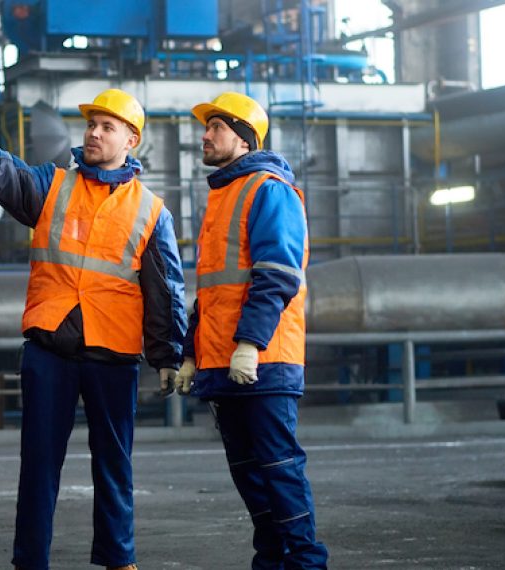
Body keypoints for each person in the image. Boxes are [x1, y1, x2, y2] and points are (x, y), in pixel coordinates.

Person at [0, 89, 187, 570]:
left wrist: (170, 354)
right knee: (39, 467)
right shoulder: (54, 185)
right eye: (91, 124)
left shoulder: (152, 212)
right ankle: (30, 562)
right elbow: (6, 175)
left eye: (106, 126)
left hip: (112, 353)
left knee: (114, 466)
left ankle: (118, 558)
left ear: (131, 138)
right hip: (50, 348)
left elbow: (166, 289)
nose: (93, 132)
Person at [170, 92, 329, 569]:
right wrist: (192, 354)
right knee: (250, 478)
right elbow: (213, 293)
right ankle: (272, 563)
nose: (205, 135)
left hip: (262, 359)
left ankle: (306, 564)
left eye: (215, 127)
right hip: (226, 361)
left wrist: (248, 343)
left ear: (243, 138)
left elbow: (277, 274)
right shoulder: (222, 198)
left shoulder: (268, 188)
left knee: (278, 471)